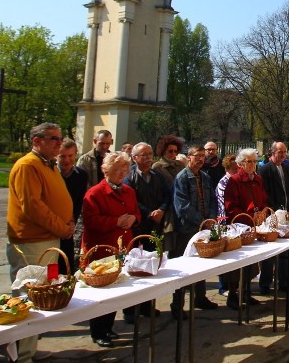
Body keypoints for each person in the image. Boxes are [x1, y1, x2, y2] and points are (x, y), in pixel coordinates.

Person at [6, 123, 75, 363]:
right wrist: (61, 226)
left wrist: (67, 222)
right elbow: (33, 207)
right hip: (32, 241)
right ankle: (21, 355)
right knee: (28, 295)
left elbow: (55, 199)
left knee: (44, 293)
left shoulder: (48, 164)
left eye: (59, 138)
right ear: (37, 141)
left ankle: (29, 349)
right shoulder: (28, 165)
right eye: (53, 139)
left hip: (49, 239)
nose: (59, 143)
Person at [81, 151, 139, 348]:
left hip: (122, 246)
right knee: (101, 291)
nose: (121, 173)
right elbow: (90, 220)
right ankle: (97, 330)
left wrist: (133, 218)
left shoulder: (129, 191)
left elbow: (135, 212)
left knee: (117, 288)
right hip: (101, 248)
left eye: (124, 169)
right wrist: (115, 221)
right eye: (117, 170)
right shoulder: (95, 193)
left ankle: (108, 327)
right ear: (106, 170)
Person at [121, 141, 169, 323]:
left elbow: (167, 195)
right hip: (137, 228)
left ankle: (147, 305)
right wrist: (149, 213)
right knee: (133, 268)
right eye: (144, 155)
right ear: (134, 158)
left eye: (150, 154)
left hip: (155, 227)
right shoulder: (129, 177)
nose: (148, 158)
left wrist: (162, 210)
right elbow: (131, 200)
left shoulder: (158, 176)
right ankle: (130, 310)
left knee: (151, 266)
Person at [171, 145, 219, 316]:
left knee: (201, 265)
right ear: (188, 157)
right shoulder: (182, 178)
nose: (200, 159)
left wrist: (211, 219)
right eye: (196, 156)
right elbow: (182, 207)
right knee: (184, 268)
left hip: (204, 228)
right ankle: (177, 304)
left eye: (202, 156)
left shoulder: (205, 177)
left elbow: (213, 200)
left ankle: (200, 297)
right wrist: (202, 221)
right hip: (187, 229)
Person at [222, 149, 266, 307]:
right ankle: (232, 295)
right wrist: (247, 216)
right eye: (249, 161)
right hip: (239, 227)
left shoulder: (258, 179)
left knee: (253, 262)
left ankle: (246, 292)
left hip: (255, 227)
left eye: (254, 161)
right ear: (240, 164)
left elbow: (263, 199)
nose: (253, 164)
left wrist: (262, 212)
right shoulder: (234, 181)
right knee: (238, 263)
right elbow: (230, 206)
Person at [258, 141, 289, 294]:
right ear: (272, 153)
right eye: (279, 152)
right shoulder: (265, 169)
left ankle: (284, 282)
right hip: (271, 216)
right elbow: (265, 192)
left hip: (286, 214)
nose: (282, 155)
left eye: (284, 152)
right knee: (269, 252)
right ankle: (265, 284)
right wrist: (275, 210)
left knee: (285, 251)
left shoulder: (286, 167)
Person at [56, 138, 87, 273]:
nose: (66, 160)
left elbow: (78, 202)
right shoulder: (51, 173)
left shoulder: (81, 175)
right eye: (62, 156)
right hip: (52, 224)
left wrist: (71, 222)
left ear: (76, 155)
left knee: (66, 266)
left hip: (69, 226)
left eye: (70, 156)